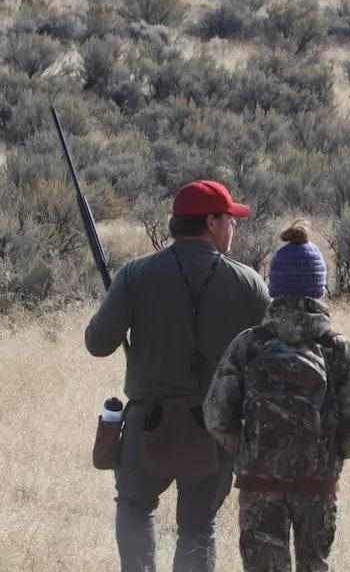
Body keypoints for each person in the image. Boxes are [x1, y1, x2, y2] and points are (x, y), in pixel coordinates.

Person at [86, 180, 271, 572]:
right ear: (212, 222)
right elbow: (267, 362)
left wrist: (121, 302)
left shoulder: (136, 275)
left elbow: (98, 343)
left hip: (146, 424)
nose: (233, 228)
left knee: (135, 510)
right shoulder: (249, 283)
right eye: (230, 219)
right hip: (214, 430)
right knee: (198, 528)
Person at [204, 221, 350, 572]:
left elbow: (217, 417)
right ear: (319, 287)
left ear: (274, 286)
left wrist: (250, 448)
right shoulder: (339, 351)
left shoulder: (248, 345)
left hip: (258, 482)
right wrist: (328, 454)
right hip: (317, 486)